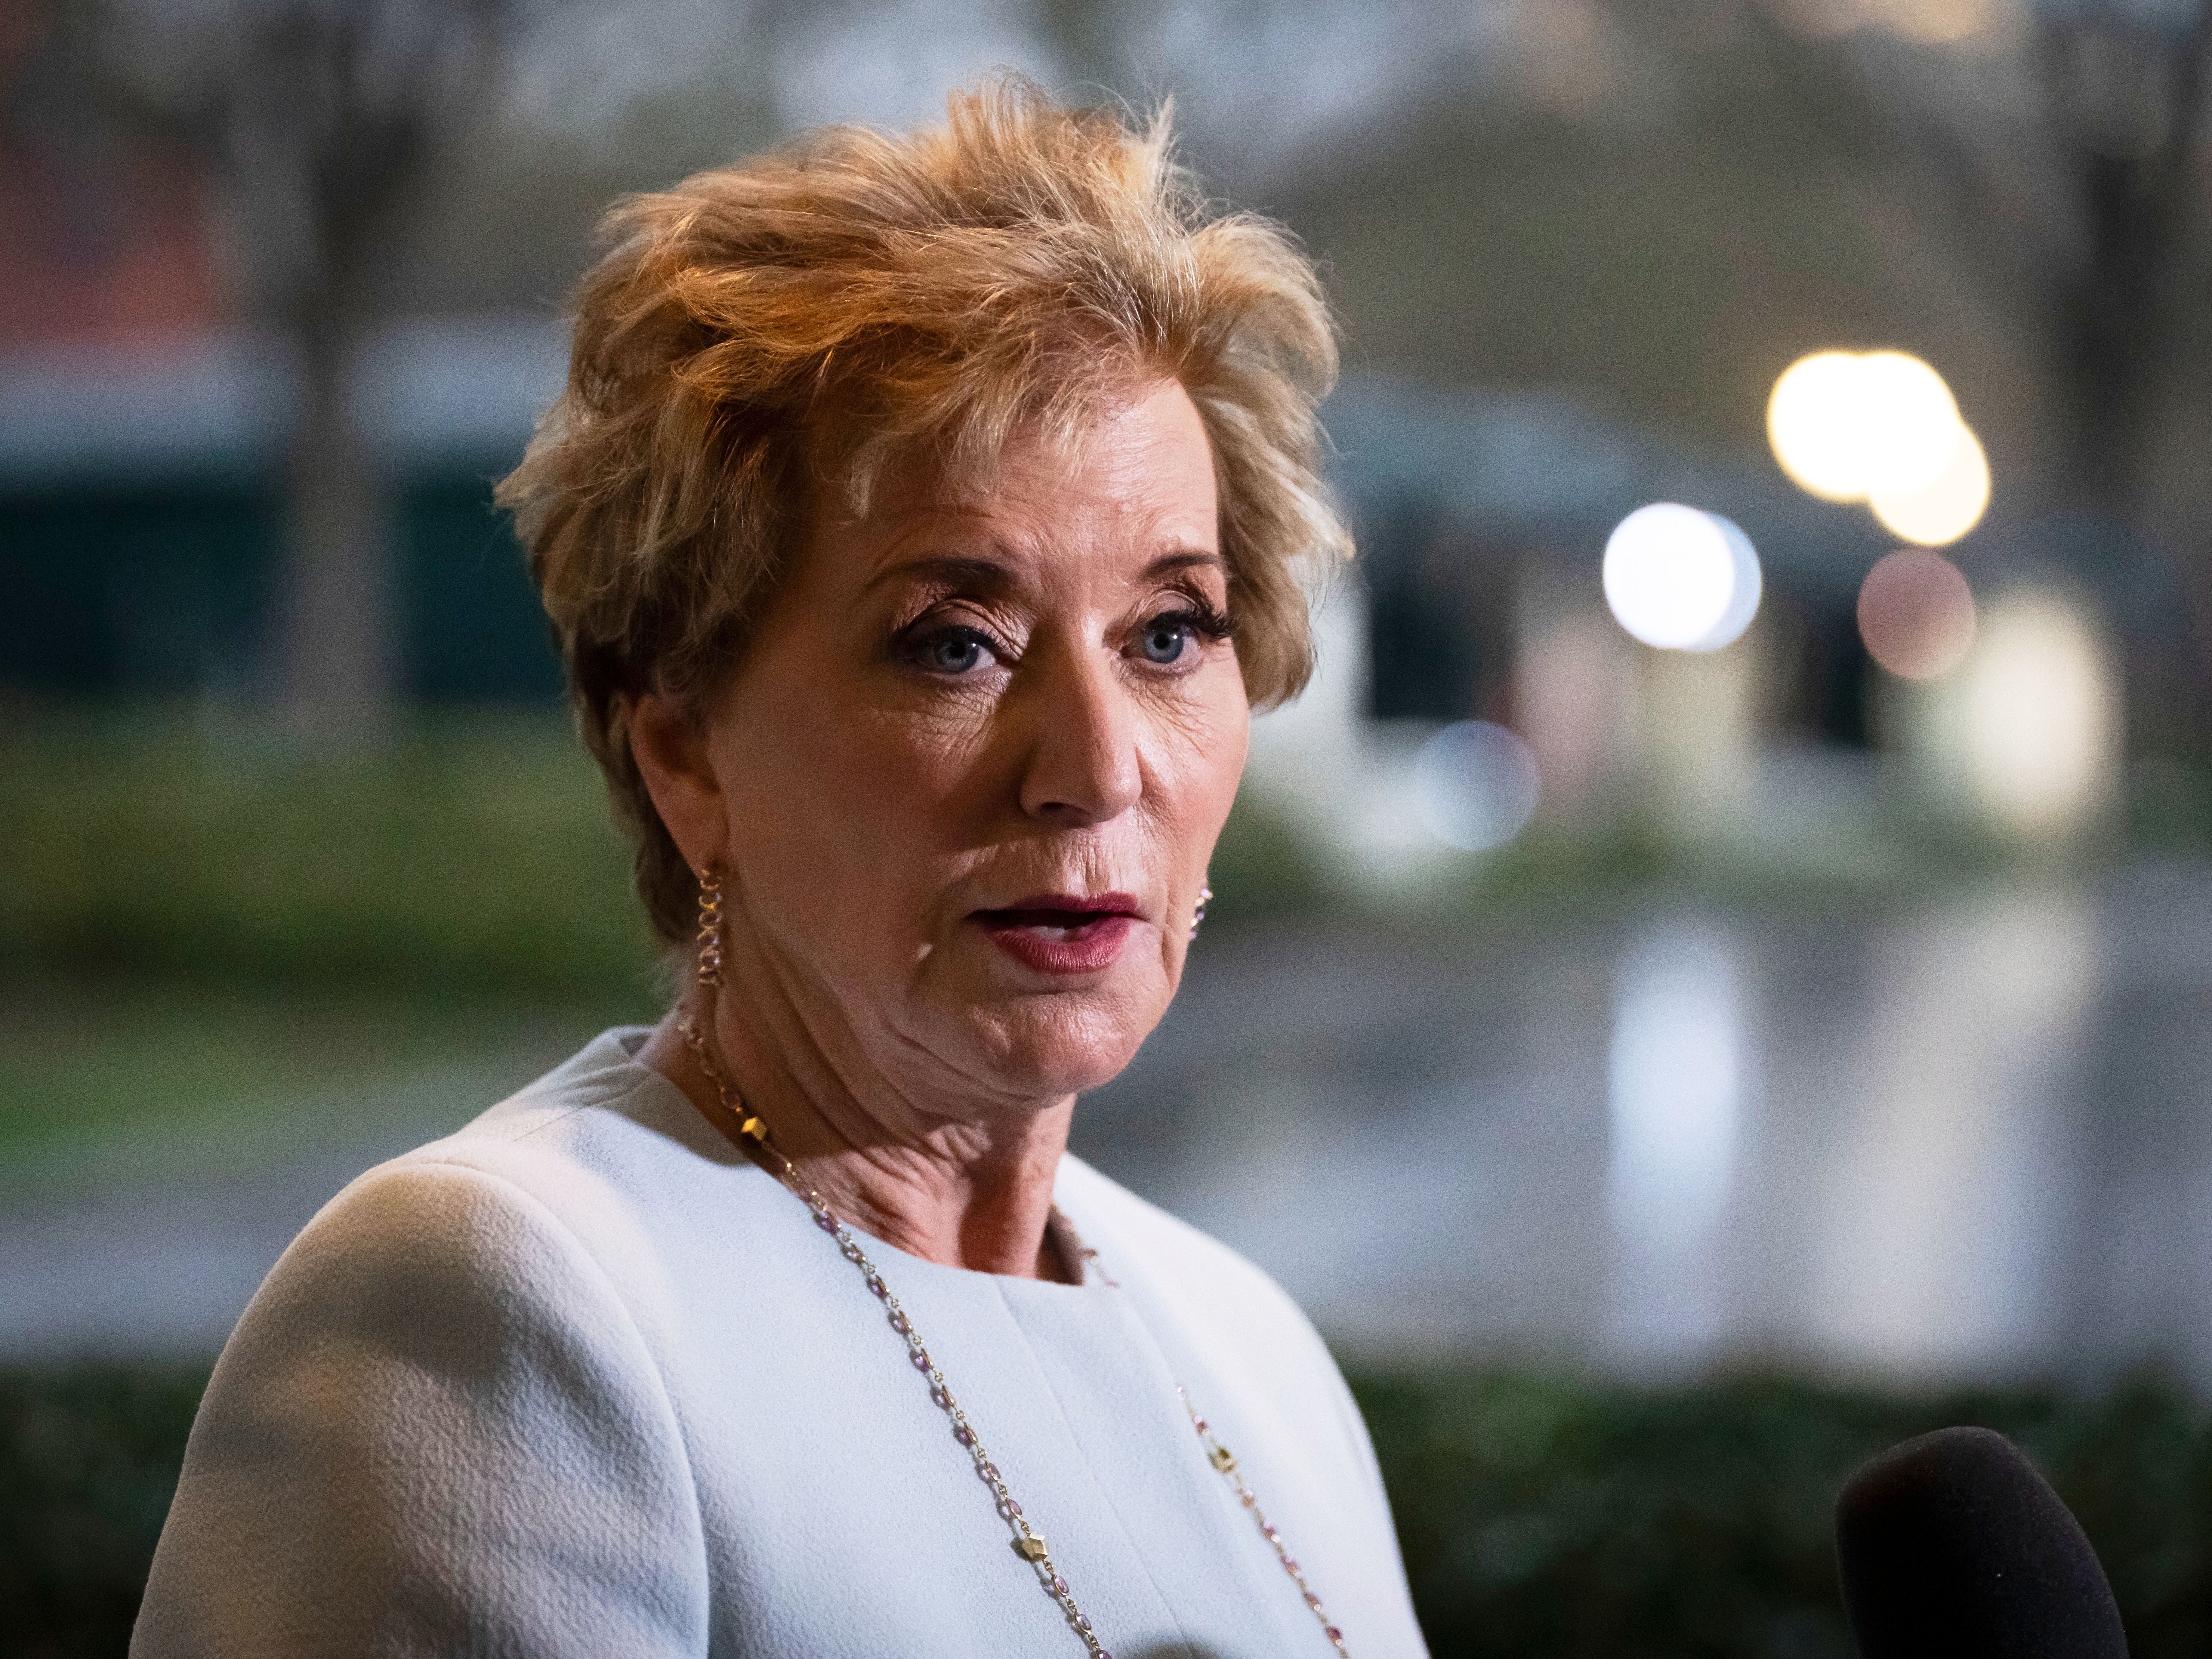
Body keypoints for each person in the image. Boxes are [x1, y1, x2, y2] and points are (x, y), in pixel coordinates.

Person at [134, 76, 1430, 1658]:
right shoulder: (502, 1304)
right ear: (684, 751)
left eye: (1170, 632)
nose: (1099, 768)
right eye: (955, 643)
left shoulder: (1254, 1352)